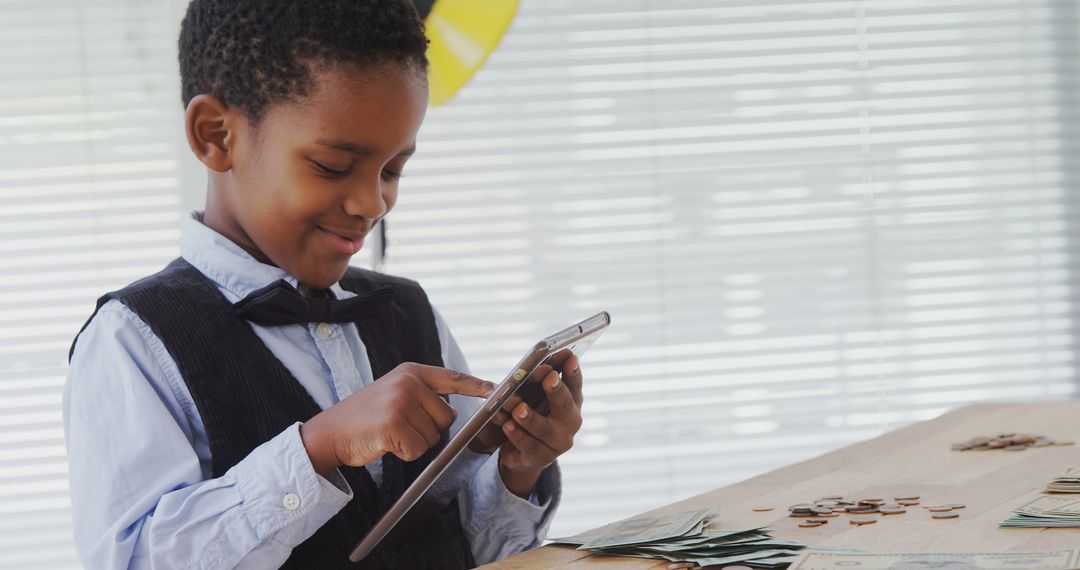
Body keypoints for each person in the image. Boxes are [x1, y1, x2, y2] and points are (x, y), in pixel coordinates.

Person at [62, 1, 585, 568]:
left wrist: (514, 466)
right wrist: (320, 448)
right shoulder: (132, 342)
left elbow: (462, 545)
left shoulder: (409, 310)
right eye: (334, 166)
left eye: (392, 170)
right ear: (216, 135)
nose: (373, 203)